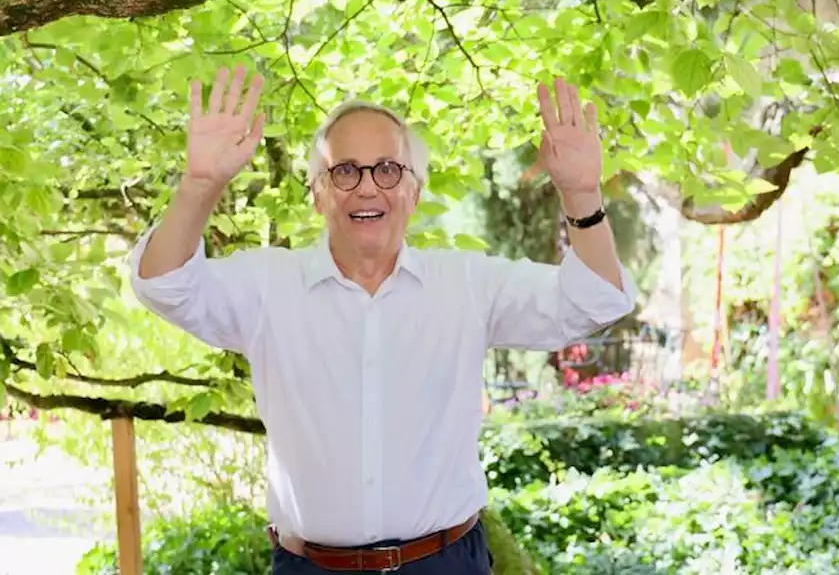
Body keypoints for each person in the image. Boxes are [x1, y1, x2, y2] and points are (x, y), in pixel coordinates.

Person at [129, 66, 637, 574]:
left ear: (414, 192)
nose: (367, 187)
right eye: (344, 171)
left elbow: (593, 300)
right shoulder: (267, 287)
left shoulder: (466, 285)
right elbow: (163, 284)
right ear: (316, 193)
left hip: (446, 563)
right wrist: (200, 184)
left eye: (388, 169)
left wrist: (581, 196)